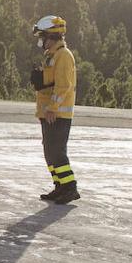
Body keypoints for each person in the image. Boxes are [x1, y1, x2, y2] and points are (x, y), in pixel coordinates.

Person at [32, 15, 78, 203]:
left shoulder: (63, 56)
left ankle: (70, 188)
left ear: (51, 36)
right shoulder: (51, 56)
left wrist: (52, 108)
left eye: (42, 36)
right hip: (49, 113)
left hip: (58, 114)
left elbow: (63, 85)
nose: (40, 41)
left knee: (57, 153)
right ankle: (60, 186)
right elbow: (50, 84)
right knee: (50, 153)